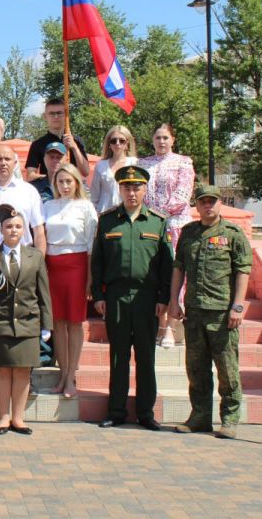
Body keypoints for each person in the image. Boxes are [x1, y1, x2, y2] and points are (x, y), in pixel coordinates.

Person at [92, 166, 172, 431]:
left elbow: (166, 264)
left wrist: (164, 298)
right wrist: (98, 295)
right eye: (126, 187)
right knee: (118, 356)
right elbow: (98, 262)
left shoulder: (157, 222)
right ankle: (116, 411)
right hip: (116, 297)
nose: (132, 192)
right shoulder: (107, 221)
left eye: (137, 187)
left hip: (147, 298)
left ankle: (145, 413)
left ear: (145, 189)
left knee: (146, 356)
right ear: (120, 189)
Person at [169, 185, 252, 439]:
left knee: (227, 369)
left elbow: (243, 270)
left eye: (212, 201)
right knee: (196, 369)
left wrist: (238, 306)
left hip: (222, 314)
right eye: (203, 201)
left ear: (219, 203)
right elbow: (179, 267)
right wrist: (174, 301)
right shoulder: (189, 233)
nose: (208, 205)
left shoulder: (233, 234)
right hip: (194, 312)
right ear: (197, 205)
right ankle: (200, 417)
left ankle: (230, 419)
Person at [0, 204, 52, 435]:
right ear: (1, 229)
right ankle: (3, 417)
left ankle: (18, 418)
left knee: (22, 371)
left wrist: (47, 324)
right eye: (9, 226)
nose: (13, 230)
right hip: (0, 322)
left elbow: (43, 292)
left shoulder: (35, 256)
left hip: (28, 322)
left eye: (18, 226)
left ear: (24, 230)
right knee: (2, 370)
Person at [42, 164, 97, 398]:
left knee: (74, 322)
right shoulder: (48, 206)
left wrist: (90, 278)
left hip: (77, 264)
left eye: (69, 181)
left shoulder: (86, 206)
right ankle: (62, 373)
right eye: (60, 181)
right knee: (57, 323)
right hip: (53, 265)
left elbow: (92, 246)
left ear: (76, 182)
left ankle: (71, 375)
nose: (65, 186)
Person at [139, 123, 195, 349]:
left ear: (173, 139)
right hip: (150, 225)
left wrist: (160, 214)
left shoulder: (183, 162)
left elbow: (183, 193)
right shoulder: (143, 164)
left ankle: (171, 327)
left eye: (165, 137)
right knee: (155, 273)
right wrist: (149, 216)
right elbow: (140, 192)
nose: (161, 142)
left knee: (175, 274)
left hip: (175, 224)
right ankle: (160, 326)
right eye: (157, 138)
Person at [0, 145, 46, 252]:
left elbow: (39, 231)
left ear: (15, 163)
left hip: (23, 255)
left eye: (7, 159)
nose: (3, 163)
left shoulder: (29, 191)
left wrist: (39, 260)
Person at [24, 98, 89, 180]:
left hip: (71, 187)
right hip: (48, 187)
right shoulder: (37, 144)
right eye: (52, 113)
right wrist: (56, 178)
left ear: (66, 115)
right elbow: (30, 176)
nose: (56, 116)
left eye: (59, 113)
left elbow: (85, 172)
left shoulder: (76, 141)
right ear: (45, 116)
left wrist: (74, 147)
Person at [89, 125, 138, 213]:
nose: (117, 143)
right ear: (109, 144)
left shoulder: (134, 163)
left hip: (128, 213)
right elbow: (94, 196)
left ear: (127, 143)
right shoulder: (101, 165)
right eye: (113, 141)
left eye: (121, 140)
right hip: (104, 213)